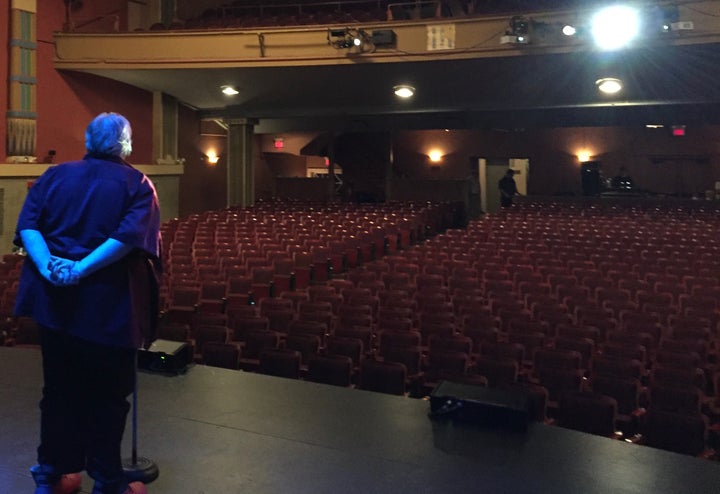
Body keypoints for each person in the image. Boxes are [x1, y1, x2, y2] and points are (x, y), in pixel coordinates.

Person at [14, 113, 162, 494]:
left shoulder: (54, 175)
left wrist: (50, 266)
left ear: (87, 139)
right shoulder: (138, 183)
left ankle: (54, 473)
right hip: (108, 310)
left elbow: (28, 226)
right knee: (108, 399)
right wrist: (80, 268)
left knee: (58, 393)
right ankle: (107, 481)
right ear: (125, 144)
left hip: (56, 305)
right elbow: (129, 238)